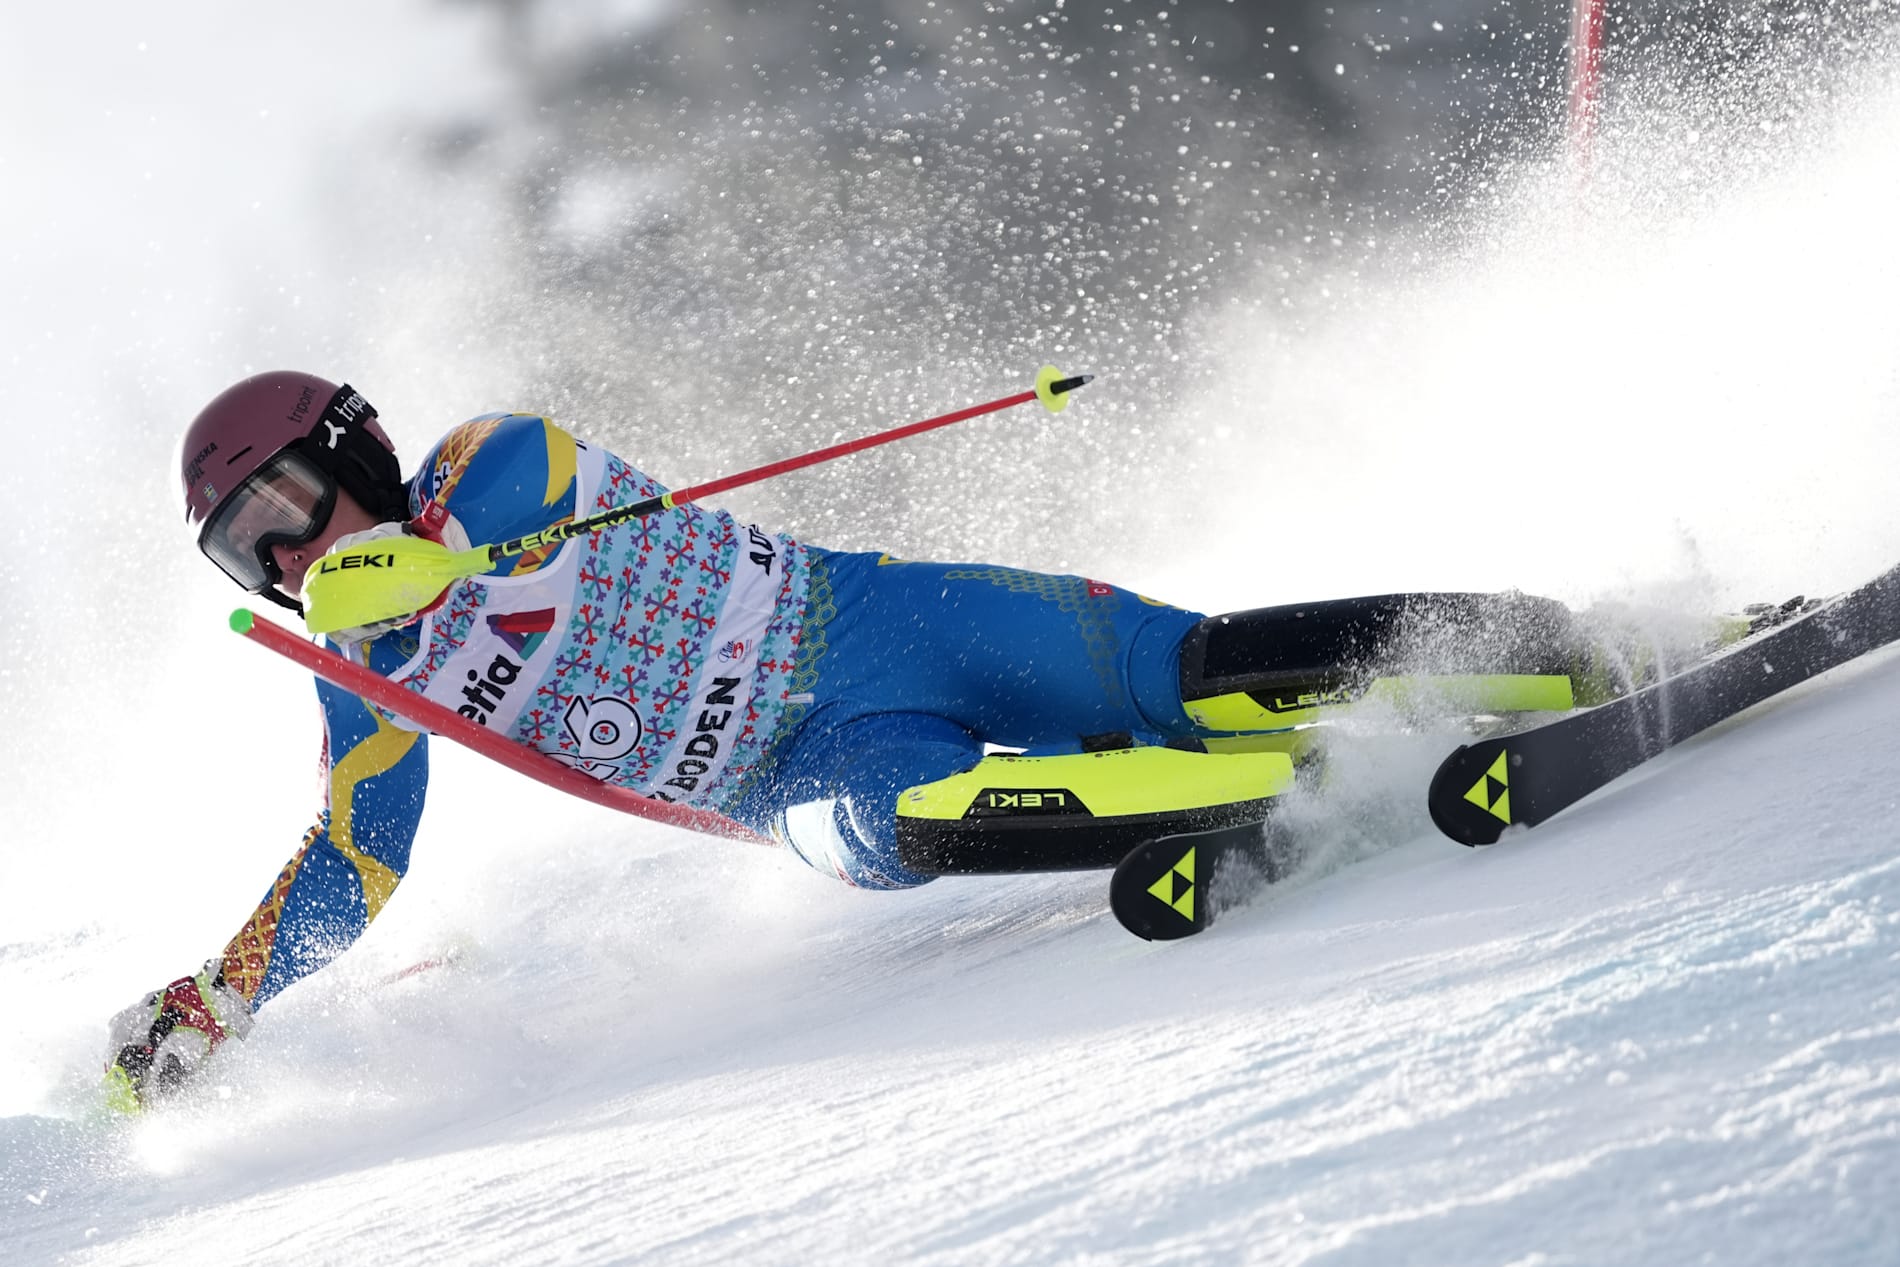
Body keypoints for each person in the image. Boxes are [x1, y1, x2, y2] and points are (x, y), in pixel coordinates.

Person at [104, 370, 1642, 1110]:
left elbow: (521, 502)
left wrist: (424, 570)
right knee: (900, 821)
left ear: (353, 457)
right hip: (807, 775)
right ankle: (1298, 789)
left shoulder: (490, 463)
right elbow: (357, 856)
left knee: (1186, 665)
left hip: (890, 625)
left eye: (292, 514)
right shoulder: (371, 690)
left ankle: (1568, 639)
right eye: (252, 557)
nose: (293, 566)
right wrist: (223, 998)